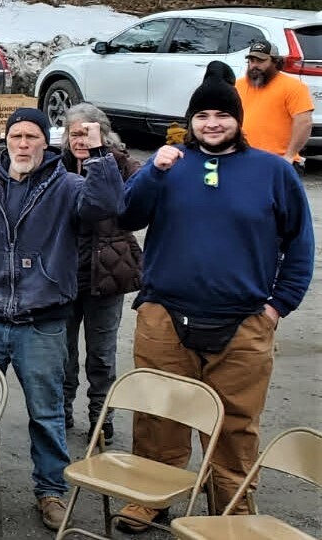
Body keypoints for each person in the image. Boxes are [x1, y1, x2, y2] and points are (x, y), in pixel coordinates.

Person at [113, 62, 312, 530]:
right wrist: (153, 173)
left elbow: (299, 242)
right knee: (160, 413)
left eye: (222, 115)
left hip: (243, 321)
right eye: (202, 115)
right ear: (191, 121)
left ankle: (232, 509)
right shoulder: (169, 166)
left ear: (237, 119)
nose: (212, 123)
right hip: (164, 315)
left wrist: (278, 305)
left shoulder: (272, 171)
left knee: (235, 426)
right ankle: (151, 496)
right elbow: (126, 215)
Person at [0, 108, 120, 530]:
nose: (23, 144)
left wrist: (97, 152)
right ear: (7, 140)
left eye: (32, 137)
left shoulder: (69, 186)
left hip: (42, 321)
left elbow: (108, 203)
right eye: (16, 136)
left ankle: (51, 489)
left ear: (45, 142)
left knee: (46, 411)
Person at [59, 104, 142, 442]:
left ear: (103, 134)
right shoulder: (55, 165)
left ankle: (100, 415)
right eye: (74, 133)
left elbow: (133, 203)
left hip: (108, 272)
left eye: (88, 133)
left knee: (102, 352)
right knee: (61, 351)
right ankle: (60, 409)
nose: (80, 140)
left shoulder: (122, 165)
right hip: (64, 272)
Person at [236, 39, 314, 168]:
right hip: (243, 160)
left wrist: (289, 156)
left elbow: (304, 122)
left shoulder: (294, 87)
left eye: (261, 61)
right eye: (251, 60)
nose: (254, 65)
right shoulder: (238, 85)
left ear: (275, 62)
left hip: (279, 162)